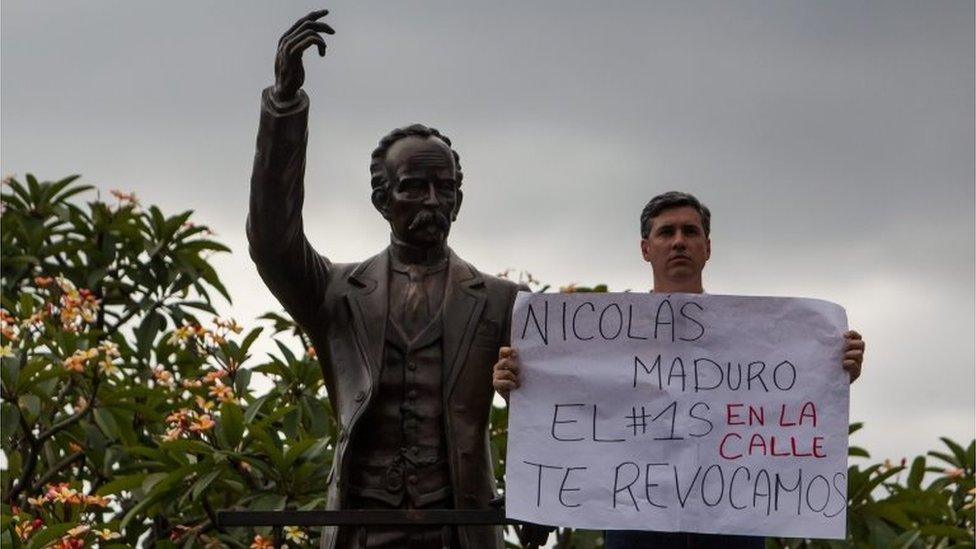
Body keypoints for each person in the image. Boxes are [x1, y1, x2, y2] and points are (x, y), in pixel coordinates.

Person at [248, 10, 519, 549]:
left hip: (459, 530)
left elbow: (559, 410)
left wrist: (539, 499)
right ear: (382, 200)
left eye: (445, 189)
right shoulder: (335, 292)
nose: (432, 201)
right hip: (360, 526)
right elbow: (273, 242)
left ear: (459, 200)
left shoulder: (502, 301)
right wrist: (284, 107)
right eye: (415, 187)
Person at [492, 191, 865, 549]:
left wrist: (834, 366)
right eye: (666, 232)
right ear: (645, 249)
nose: (679, 241)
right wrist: (521, 389)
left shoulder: (756, 335)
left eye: (690, 231)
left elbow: (793, 395)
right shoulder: (603, 342)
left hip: (733, 522)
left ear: (707, 247)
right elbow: (573, 410)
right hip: (635, 522)